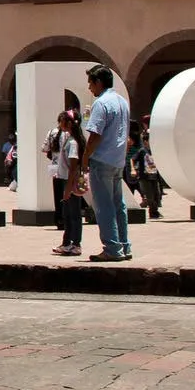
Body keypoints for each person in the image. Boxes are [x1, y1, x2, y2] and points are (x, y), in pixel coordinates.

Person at [79, 66, 131, 263]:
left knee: (104, 206)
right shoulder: (122, 102)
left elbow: (95, 135)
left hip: (101, 160)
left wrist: (85, 157)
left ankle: (111, 248)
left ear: (98, 82)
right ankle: (124, 246)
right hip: (118, 160)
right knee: (119, 205)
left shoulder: (101, 104)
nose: (90, 88)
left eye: (91, 83)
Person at [51, 112, 84, 256]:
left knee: (74, 214)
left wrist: (68, 188)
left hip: (70, 182)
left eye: (62, 121)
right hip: (66, 180)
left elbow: (73, 168)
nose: (59, 124)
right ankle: (66, 242)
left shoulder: (72, 143)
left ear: (69, 123)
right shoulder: (68, 139)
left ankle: (76, 243)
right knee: (67, 214)